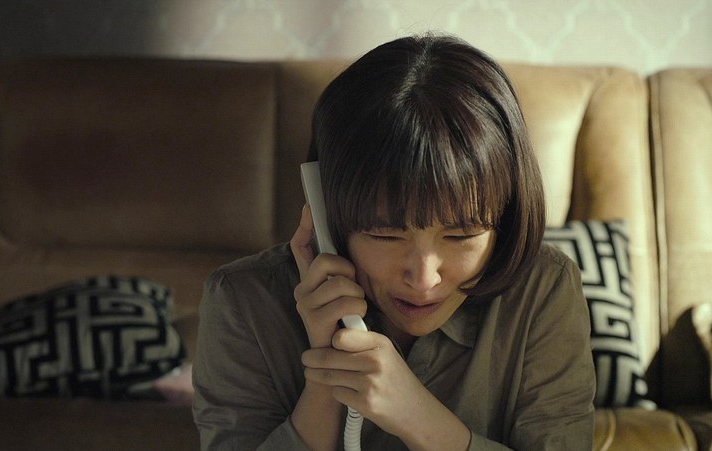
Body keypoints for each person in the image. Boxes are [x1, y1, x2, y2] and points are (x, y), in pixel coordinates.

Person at [193, 33, 595, 450]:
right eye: (384, 235)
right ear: (327, 213)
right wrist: (328, 381)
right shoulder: (242, 301)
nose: (423, 279)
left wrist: (416, 416)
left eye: (461, 235)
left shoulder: (543, 289)